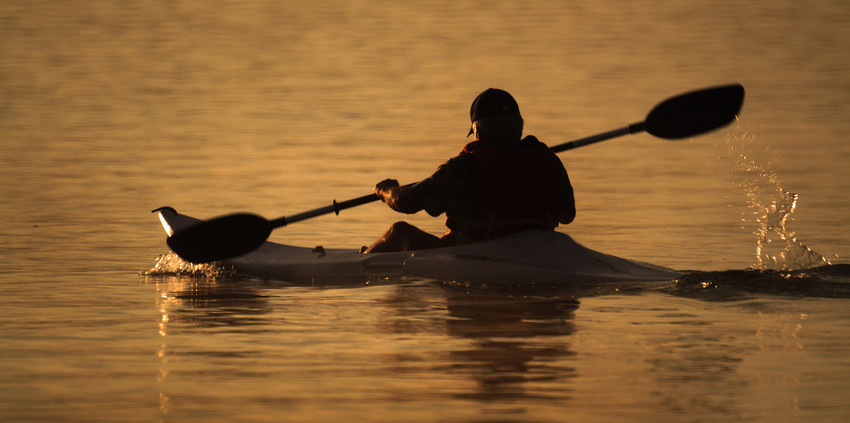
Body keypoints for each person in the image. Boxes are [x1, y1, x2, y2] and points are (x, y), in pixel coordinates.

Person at [364, 88, 575, 253]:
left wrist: (386, 191)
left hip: (477, 254)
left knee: (398, 232)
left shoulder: (465, 168)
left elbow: (405, 202)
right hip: (538, 253)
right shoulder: (549, 161)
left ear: (478, 131)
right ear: (519, 128)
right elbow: (567, 215)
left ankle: (365, 258)